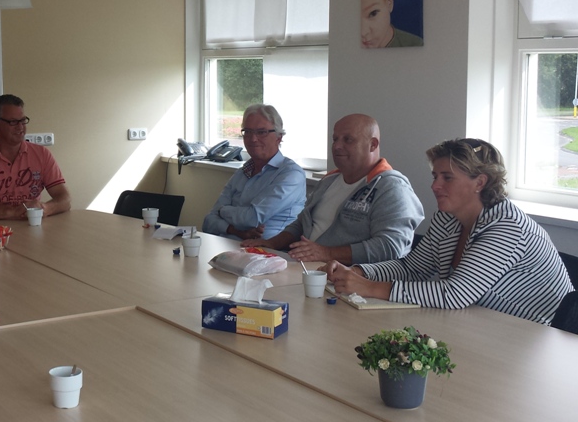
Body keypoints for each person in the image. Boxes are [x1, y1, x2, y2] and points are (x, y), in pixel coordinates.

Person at [326, 138, 574, 325]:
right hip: (481, 324)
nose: (435, 186)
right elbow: (413, 268)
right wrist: (357, 272)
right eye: (435, 176)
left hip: (534, 339)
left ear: (480, 182)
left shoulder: (508, 228)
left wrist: (368, 287)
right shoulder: (448, 217)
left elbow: (455, 294)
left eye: (447, 178)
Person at [243, 114, 424, 264]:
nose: (337, 146)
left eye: (348, 140)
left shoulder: (392, 188)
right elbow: (302, 223)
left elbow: (391, 247)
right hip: (306, 268)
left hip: (354, 280)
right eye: (335, 139)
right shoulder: (329, 180)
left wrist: (327, 253)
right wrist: (272, 243)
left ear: (373, 145)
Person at [0, 94, 71, 220]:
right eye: (13, 122)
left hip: (31, 226)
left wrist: (44, 208)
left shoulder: (42, 154)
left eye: (23, 121)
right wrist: (13, 212)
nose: (20, 127)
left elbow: (65, 199)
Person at [202, 104, 305, 240]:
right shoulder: (241, 173)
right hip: (227, 245)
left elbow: (252, 218)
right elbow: (208, 222)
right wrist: (234, 230)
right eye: (248, 132)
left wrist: (222, 211)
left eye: (261, 132)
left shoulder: (291, 174)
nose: (253, 139)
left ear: (278, 137)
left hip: (268, 250)